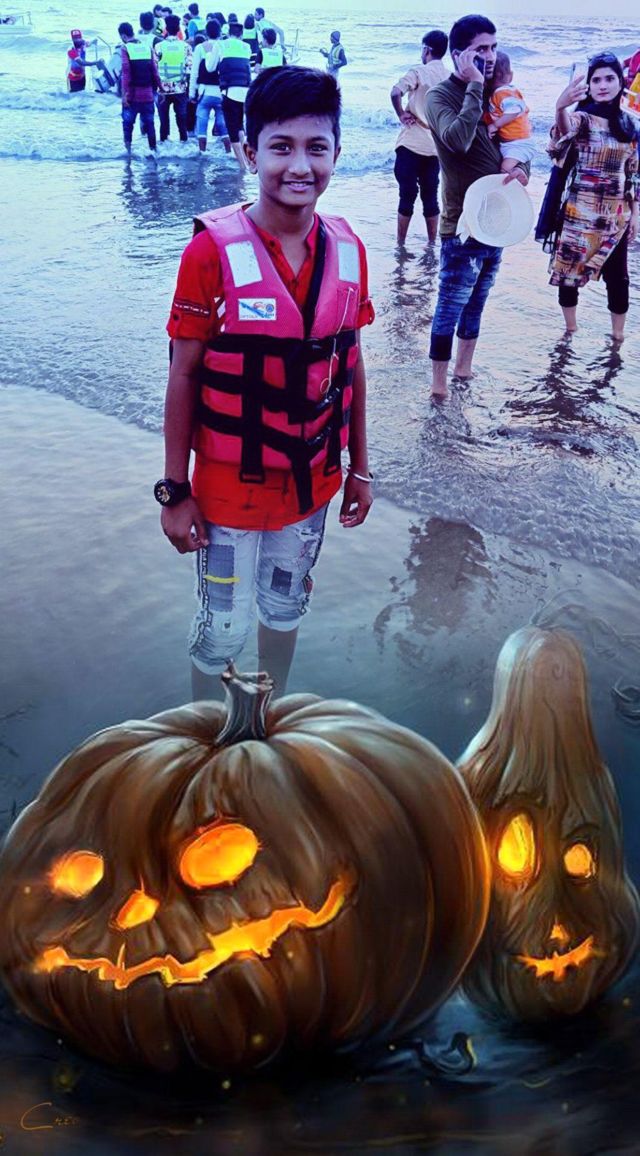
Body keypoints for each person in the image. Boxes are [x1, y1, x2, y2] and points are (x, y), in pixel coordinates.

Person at [157, 66, 374, 699]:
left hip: (312, 485)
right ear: (248, 153)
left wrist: (360, 469)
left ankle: (268, 721)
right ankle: (207, 737)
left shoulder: (350, 250)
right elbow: (184, 373)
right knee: (221, 629)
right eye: (281, 147)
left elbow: (351, 365)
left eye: (316, 147)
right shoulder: (210, 253)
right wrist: (173, 491)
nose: (299, 165)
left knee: (285, 607)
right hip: (226, 492)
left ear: (336, 154)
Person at [424, 14, 529, 399]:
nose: (490, 55)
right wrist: (473, 86)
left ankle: (464, 370)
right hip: (461, 223)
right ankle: (438, 386)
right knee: (451, 304)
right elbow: (458, 140)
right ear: (459, 55)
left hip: (496, 219)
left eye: (494, 47)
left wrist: (522, 168)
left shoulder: (495, 94)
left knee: (477, 302)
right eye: (481, 49)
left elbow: (516, 138)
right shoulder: (439, 96)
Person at [547, 52, 639, 341]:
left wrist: (636, 214)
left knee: (619, 278)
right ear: (588, 85)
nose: (603, 85)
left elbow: (634, 174)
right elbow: (563, 133)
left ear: (620, 82)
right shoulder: (583, 119)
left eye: (609, 78)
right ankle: (570, 330)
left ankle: (617, 336)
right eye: (596, 80)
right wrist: (560, 106)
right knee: (568, 276)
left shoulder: (630, 125)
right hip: (579, 212)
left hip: (616, 217)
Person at [390, 29, 448, 247]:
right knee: (430, 197)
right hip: (435, 147)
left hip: (411, 143)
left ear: (427, 50)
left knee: (406, 195)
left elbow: (395, 92)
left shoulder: (419, 72)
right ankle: (432, 244)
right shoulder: (450, 77)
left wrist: (401, 114)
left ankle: (400, 244)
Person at [487, 50, 535, 173]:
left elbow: (514, 110)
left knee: (505, 169)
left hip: (518, 144)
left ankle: (512, 181)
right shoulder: (506, 93)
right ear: (511, 75)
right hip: (512, 143)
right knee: (506, 168)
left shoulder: (502, 92)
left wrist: (495, 125)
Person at [119, 21, 161, 154]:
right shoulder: (147, 47)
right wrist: (161, 89)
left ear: (123, 36)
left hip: (132, 96)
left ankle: (128, 153)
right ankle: (154, 152)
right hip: (148, 95)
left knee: (128, 125)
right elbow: (155, 71)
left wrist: (124, 95)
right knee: (150, 124)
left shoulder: (125, 48)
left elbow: (126, 73)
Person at [190, 17, 229, 151]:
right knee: (223, 124)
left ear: (206, 33)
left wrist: (191, 93)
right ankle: (229, 152)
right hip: (221, 93)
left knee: (202, 125)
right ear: (220, 33)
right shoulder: (224, 47)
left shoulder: (200, 48)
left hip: (204, 92)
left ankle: (202, 154)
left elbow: (194, 73)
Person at [218, 20, 252, 167]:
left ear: (228, 33)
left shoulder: (221, 45)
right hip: (246, 92)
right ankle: (248, 160)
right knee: (240, 126)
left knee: (232, 131)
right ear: (241, 34)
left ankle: (243, 167)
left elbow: (210, 67)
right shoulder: (247, 47)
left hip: (229, 92)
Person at [155, 13, 192, 141]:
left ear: (166, 29)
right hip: (180, 89)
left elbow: (154, 68)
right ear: (178, 30)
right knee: (182, 120)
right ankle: (183, 144)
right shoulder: (186, 47)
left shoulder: (159, 46)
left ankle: (163, 146)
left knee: (163, 121)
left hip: (162, 89)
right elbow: (189, 69)